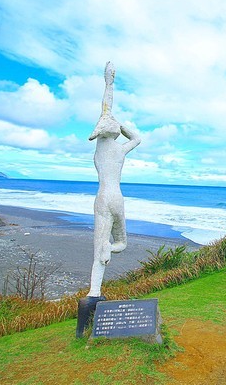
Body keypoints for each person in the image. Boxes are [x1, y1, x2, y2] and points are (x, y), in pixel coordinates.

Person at [87, 61, 141, 297]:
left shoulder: (100, 147)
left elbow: (106, 108)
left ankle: (94, 291)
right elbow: (137, 138)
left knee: (97, 249)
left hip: (103, 198)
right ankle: (111, 248)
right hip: (118, 198)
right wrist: (120, 124)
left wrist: (108, 83)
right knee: (122, 242)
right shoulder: (120, 150)